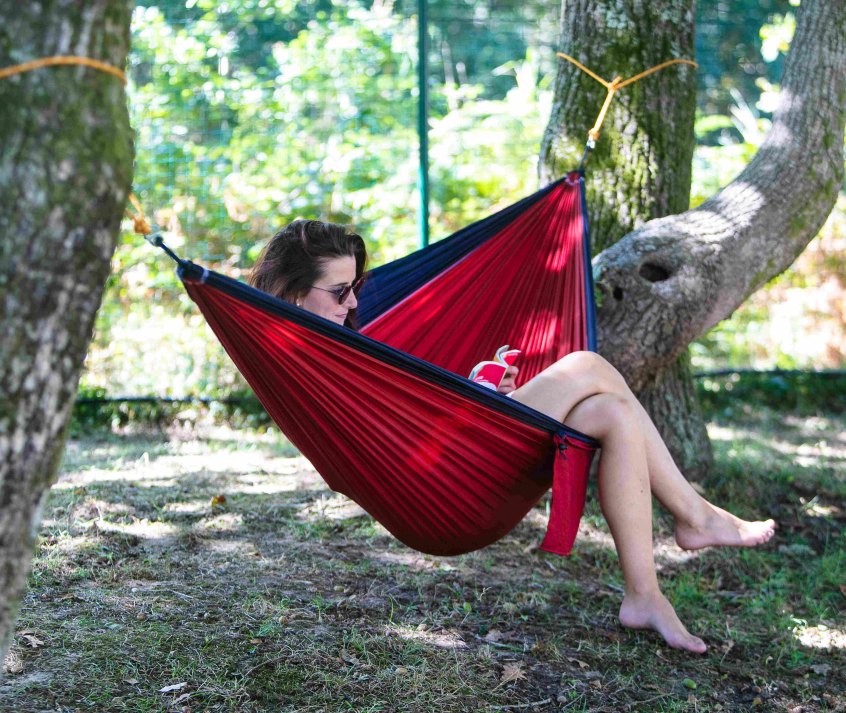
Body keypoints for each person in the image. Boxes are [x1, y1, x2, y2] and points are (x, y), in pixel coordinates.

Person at [249, 219, 775, 653]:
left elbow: (409, 422)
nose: (354, 304)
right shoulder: (304, 360)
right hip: (438, 495)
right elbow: (390, 443)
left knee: (612, 411)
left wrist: (488, 399)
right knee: (586, 364)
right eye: (341, 292)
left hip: (460, 462)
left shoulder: (340, 340)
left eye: (356, 289)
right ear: (295, 293)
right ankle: (696, 516)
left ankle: (644, 595)